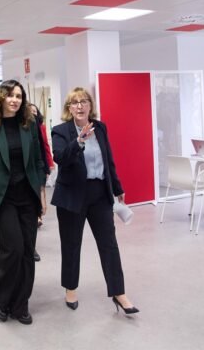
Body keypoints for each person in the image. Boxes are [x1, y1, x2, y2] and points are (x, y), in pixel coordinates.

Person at [51, 87, 139, 315]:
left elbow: (108, 159)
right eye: (75, 102)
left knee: (109, 244)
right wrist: (79, 141)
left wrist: (117, 187)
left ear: (91, 105)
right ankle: (70, 288)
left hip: (99, 192)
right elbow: (60, 158)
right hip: (72, 195)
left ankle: (118, 292)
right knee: (71, 244)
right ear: (69, 108)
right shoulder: (60, 131)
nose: (80, 106)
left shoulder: (100, 128)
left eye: (84, 101)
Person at [0, 80, 46, 325]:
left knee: (27, 252)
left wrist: (42, 196)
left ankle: (21, 304)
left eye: (19, 96)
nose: (15, 100)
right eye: (10, 95)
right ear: (1, 98)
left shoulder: (29, 125)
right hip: (2, 199)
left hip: (28, 197)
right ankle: (2, 299)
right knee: (12, 249)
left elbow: (38, 162)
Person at [28, 103, 54, 261]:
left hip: (40, 164)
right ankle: (37, 215)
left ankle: (39, 214)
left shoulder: (41, 127)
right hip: (28, 168)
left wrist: (48, 163)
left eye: (34, 111)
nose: (32, 113)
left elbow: (44, 146)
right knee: (37, 190)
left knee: (41, 189)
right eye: (29, 111)